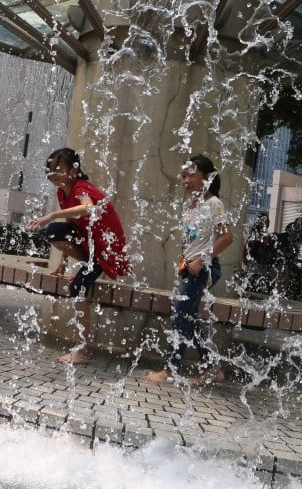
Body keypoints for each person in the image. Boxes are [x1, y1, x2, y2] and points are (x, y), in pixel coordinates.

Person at [27, 148, 130, 365]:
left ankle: (82, 351)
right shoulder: (63, 193)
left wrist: (52, 214)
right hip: (91, 246)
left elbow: (88, 208)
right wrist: (62, 263)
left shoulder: (82, 189)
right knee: (54, 230)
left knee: (77, 288)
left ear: (74, 169)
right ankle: (88, 264)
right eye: (50, 169)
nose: (53, 173)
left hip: (106, 250)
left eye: (59, 168)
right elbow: (72, 225)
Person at [143, 155, 234, 386]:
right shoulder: (193, 206)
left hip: (203, 268)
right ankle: (212, 369)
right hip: (191, 268)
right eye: (183, 176)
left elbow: (227, 237)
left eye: (191, 175)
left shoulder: (214, 204)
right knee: (187, 318)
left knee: (182, 314)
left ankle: (170, 369)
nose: (185, 180)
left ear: (207, 177)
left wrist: (201, 261)